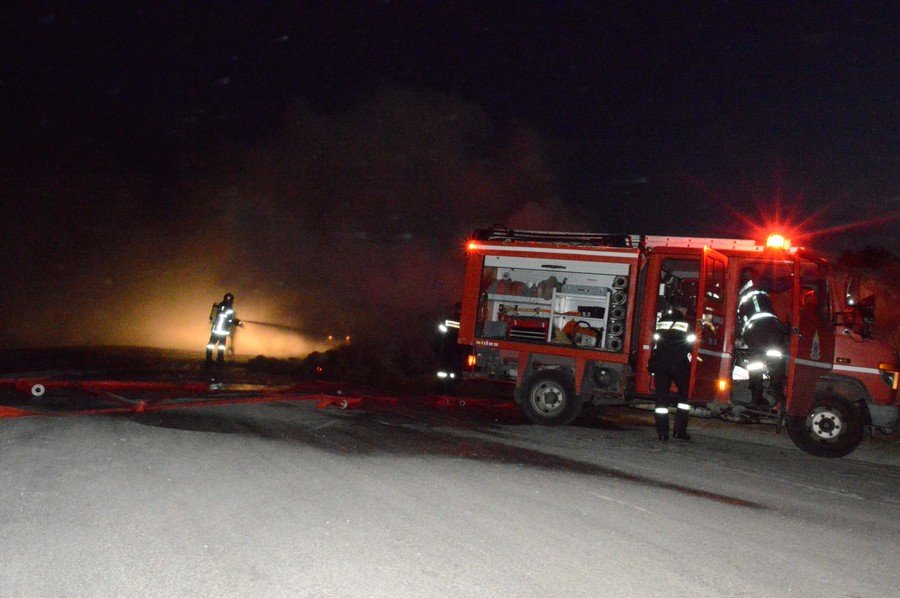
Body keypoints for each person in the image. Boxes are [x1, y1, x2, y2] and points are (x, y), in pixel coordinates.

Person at [736, 270, 790, 409]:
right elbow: (778, 286)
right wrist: (796, 276)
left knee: (755, 365)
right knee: (776, 356)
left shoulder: (740, 293)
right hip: (766, 327)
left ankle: (756, 397)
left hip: (752, 333)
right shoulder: (754, 284)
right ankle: (775, 387)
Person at [648, 303, 694, 441]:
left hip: (661, 364)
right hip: (679, 364)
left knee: (661, 400)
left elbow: (656, 340)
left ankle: (662, 433)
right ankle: (679, 431)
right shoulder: (686, 323)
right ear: (682, 308)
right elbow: (690, 344)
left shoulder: (661, 322)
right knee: (684, 398)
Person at [206, 293, 242, 365]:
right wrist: (235, 322)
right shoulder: (227, 307)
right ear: (230, 299)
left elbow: (226, 319)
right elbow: (227, 319)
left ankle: (213, 358)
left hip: (217, 330)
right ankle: (217, 359)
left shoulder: (221, 305)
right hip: (220, 330)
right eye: (232, 300)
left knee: (217, 345)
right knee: (217, 345)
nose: (232, 301)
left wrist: (234, 321)